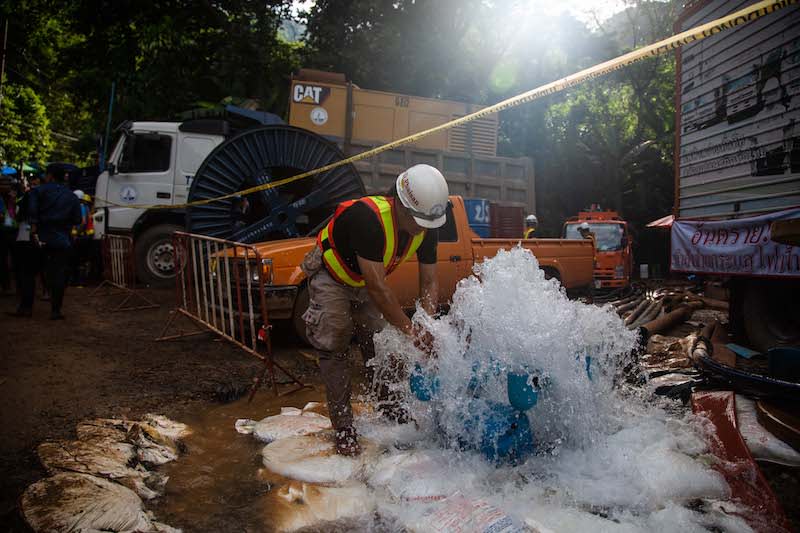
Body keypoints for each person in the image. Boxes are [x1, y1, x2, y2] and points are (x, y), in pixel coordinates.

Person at [301, 164, 448, 456]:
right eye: (417, 221)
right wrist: (410, 331)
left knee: (379, 342)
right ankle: (344, 427)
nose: (422, 228)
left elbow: (430, 281)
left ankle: (389, 407)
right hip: (331, 275)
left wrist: (427, 325)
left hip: (364, 279)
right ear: (400, 205)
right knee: (335, 342)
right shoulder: (367, 218)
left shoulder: (427, 224)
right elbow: (378, 288)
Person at [27, 164, 81, 319]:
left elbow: (31, 212)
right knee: (58, 274)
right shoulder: (71, 196)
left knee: (29, 272)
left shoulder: (37, 191)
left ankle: (26, 307)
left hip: (39, 237)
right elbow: (77, 219)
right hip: (61, 239)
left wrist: (35, 226)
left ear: (49, 175)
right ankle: (56, 311)